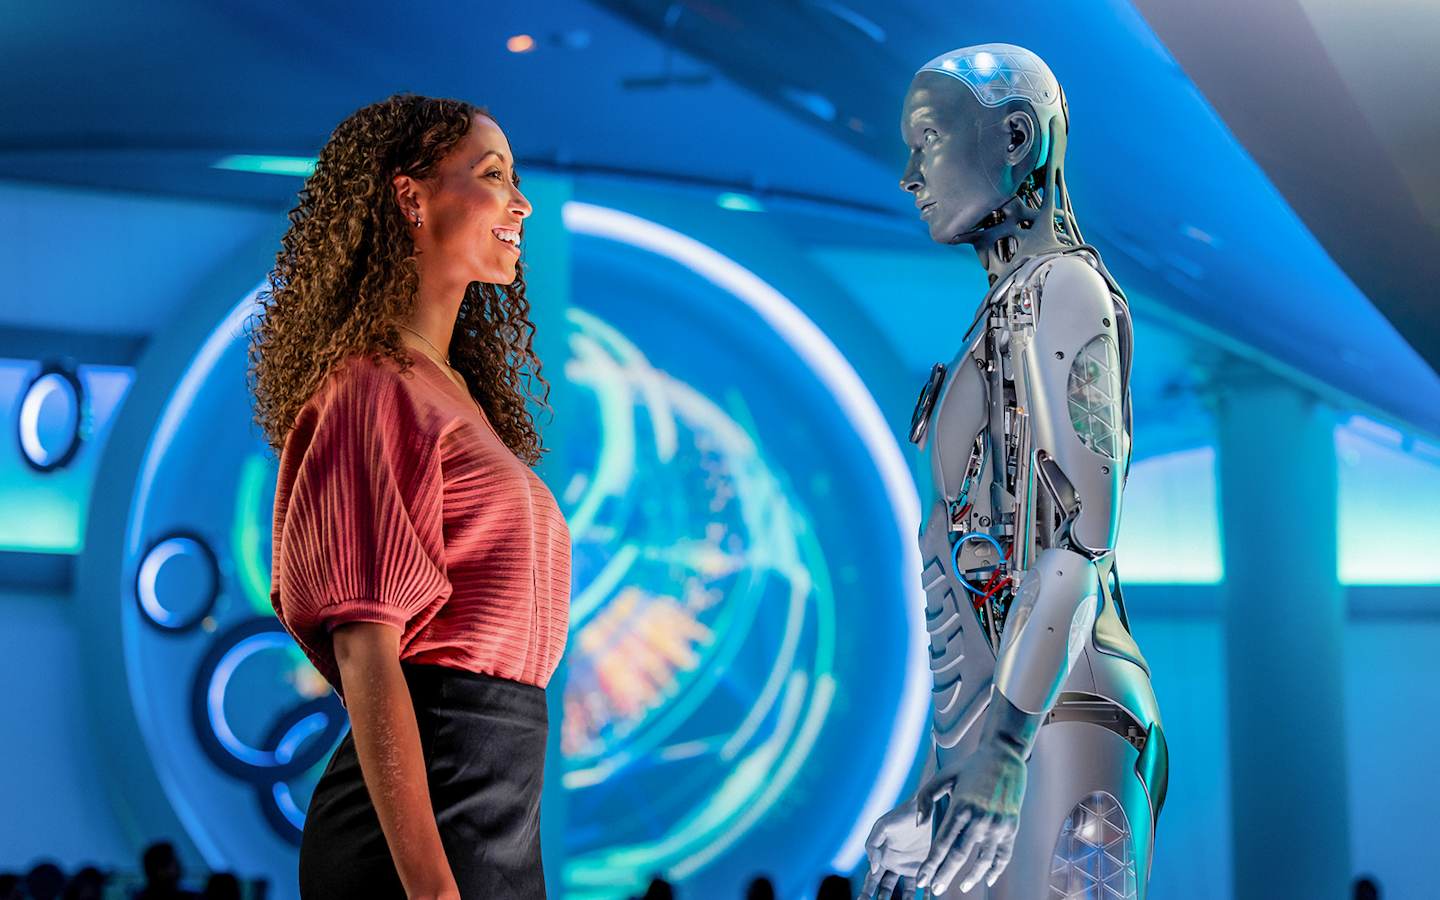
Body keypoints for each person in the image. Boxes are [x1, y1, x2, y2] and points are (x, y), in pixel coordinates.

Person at [860, 46, 1165, 899]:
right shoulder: (1001, 316)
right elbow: (970, 579)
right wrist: (945, 772)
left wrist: (999, 750)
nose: (909, 175)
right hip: (1017, 729)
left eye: (927, 140)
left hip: (1063, 718)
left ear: (1016, 137)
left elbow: (1078, 542)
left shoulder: (1063, 291)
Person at [251, 93, 570, 900]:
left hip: (497, 801)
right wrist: (432, 890)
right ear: (411, 197)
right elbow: (366, 652)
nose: (520, 201)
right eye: (493, 175)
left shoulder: (456, 394)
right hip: (417, 827)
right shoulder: (368, 385)